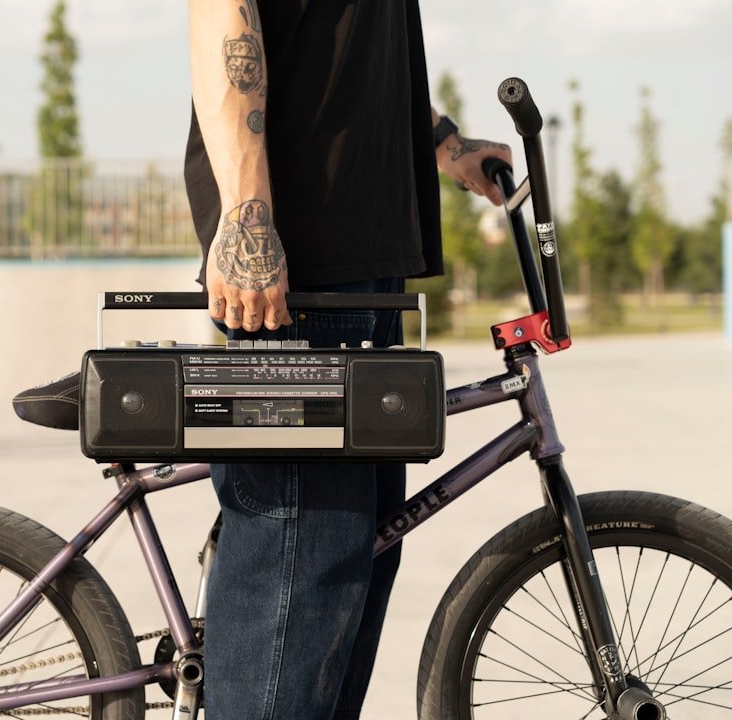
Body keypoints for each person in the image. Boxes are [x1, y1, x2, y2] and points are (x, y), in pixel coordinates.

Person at [183, 2, 512, 718]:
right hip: (304, 267)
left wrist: (444, 143)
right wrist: (247, 215)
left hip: (362, 265)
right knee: (297, 576)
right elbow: (221, 16)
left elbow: (353, 49)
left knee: (348, 575)